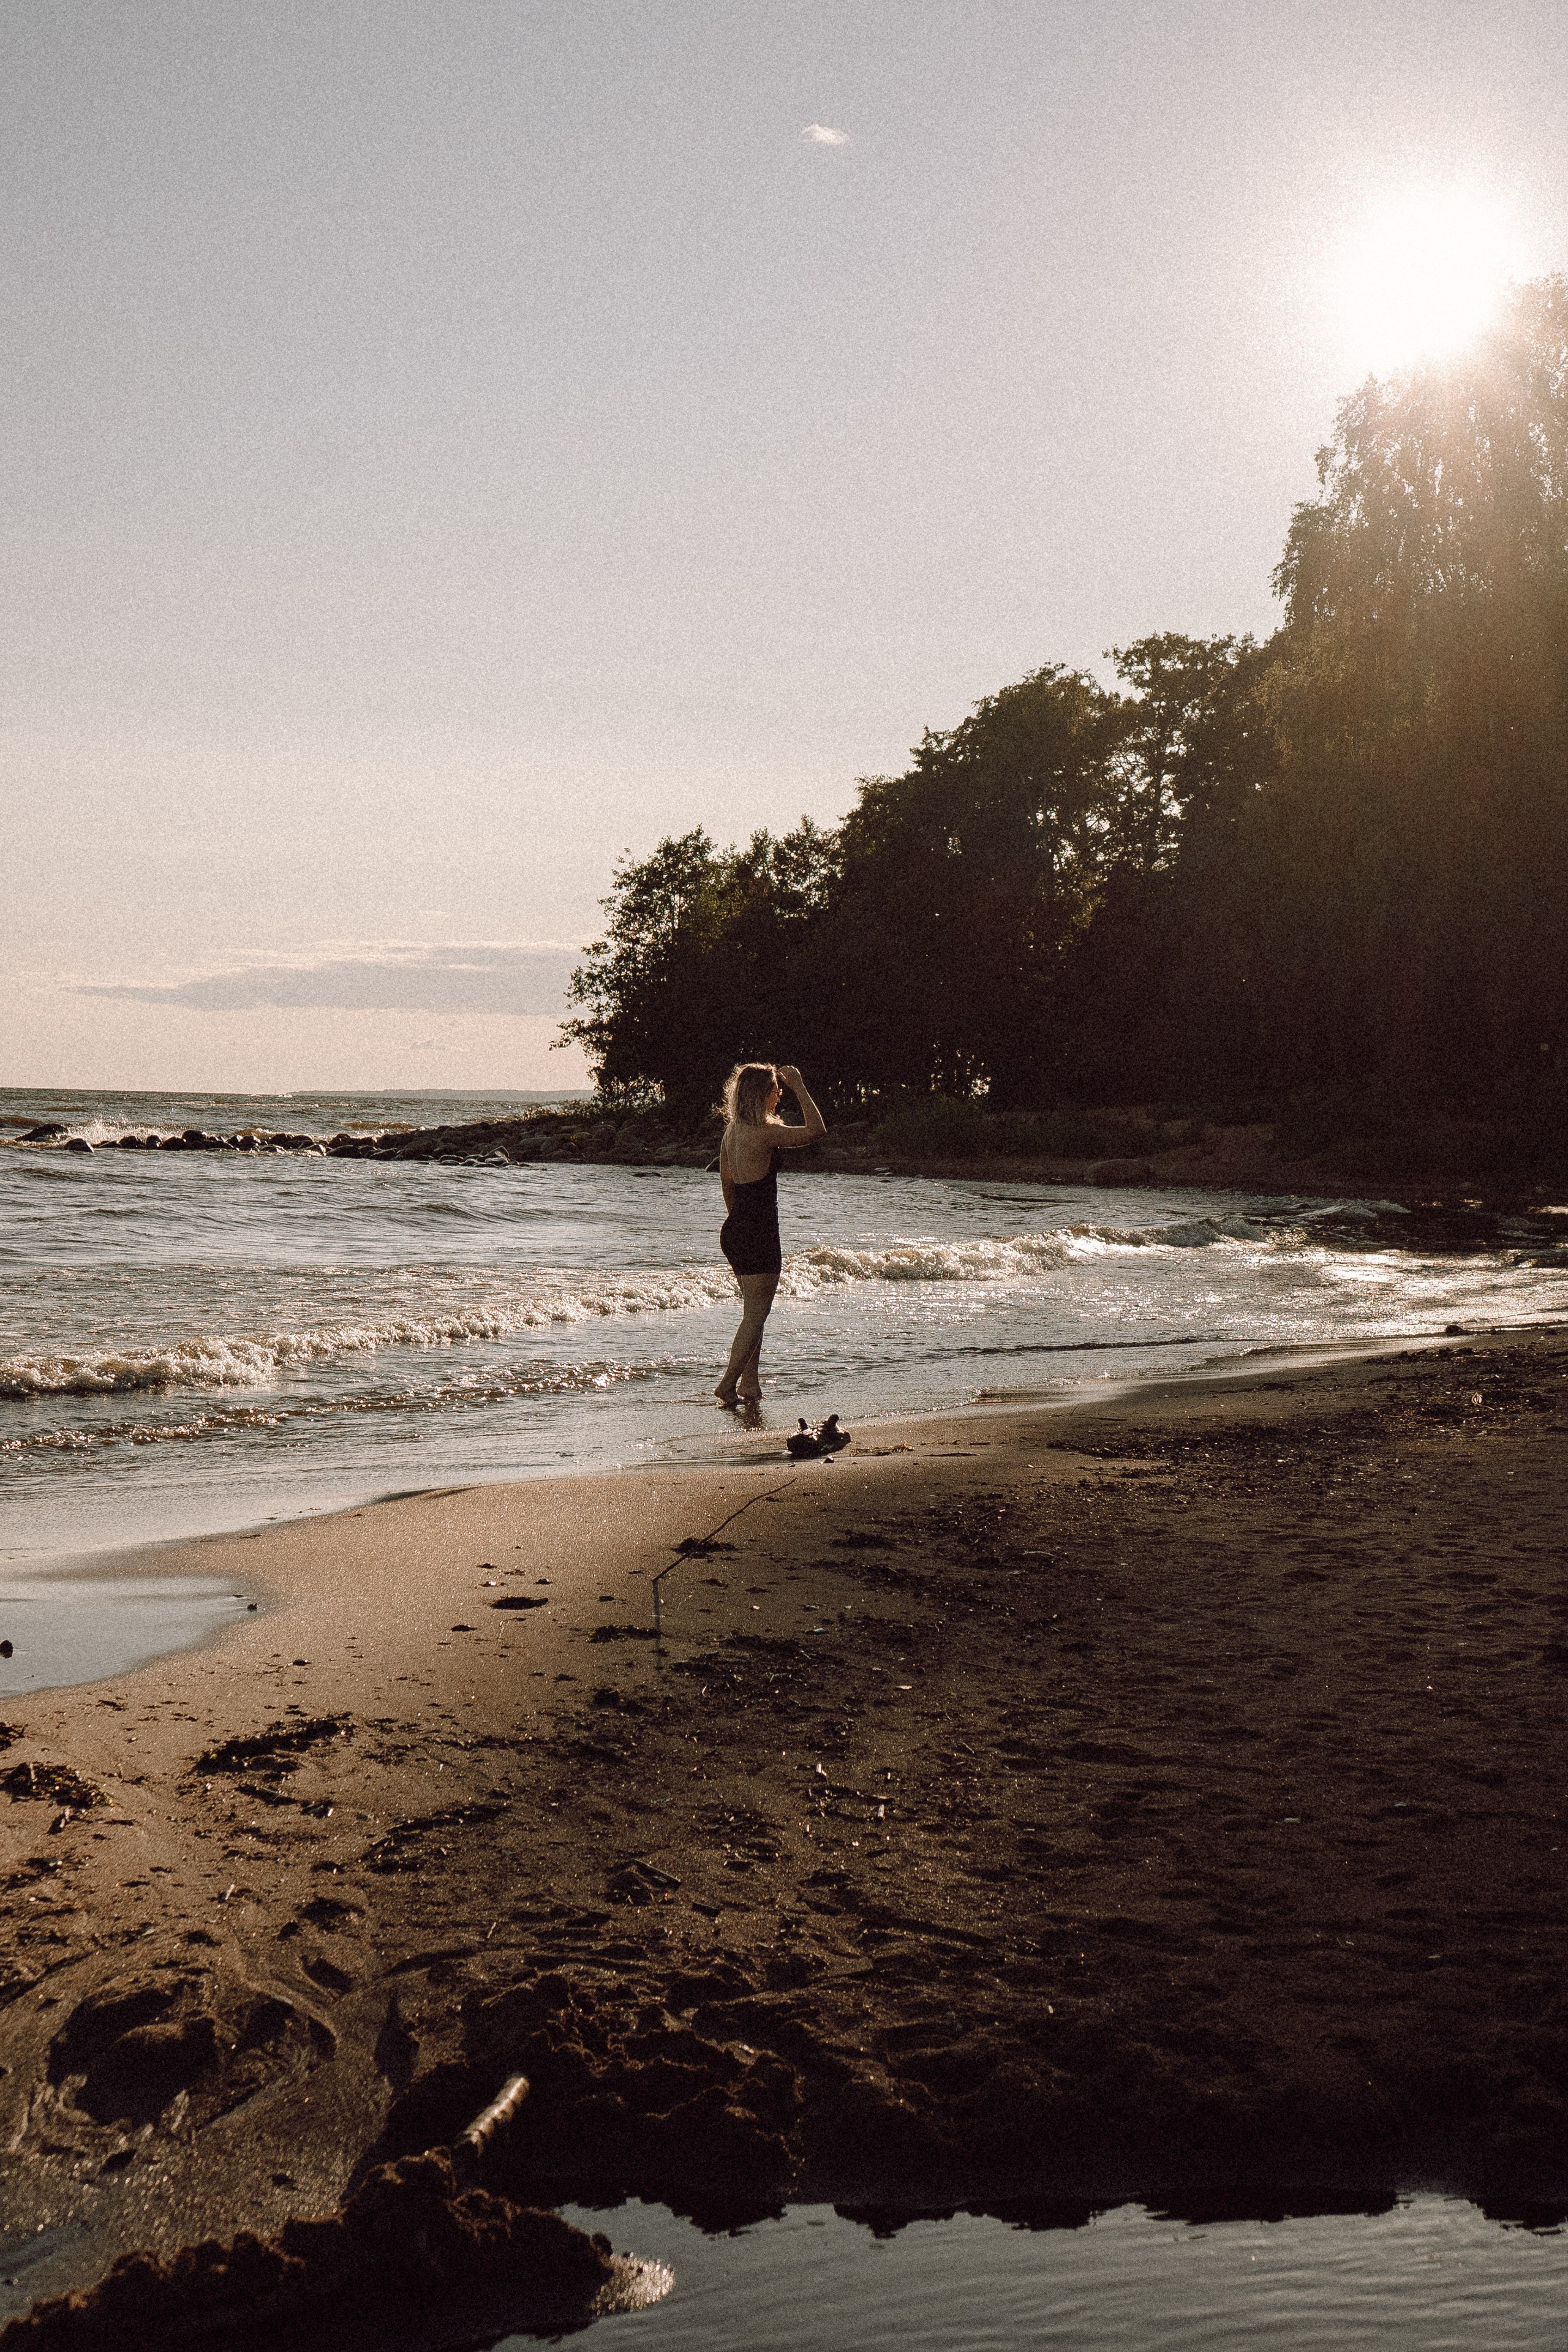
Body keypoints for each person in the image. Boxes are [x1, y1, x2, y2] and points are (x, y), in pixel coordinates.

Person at [714, 1061, 826, 1407]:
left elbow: (726, 1182)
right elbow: (816, 1130)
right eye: (777, 1088)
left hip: (735, 1229)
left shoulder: (733, 1131)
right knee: (756, 1314)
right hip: (758, 1231)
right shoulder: (763, 1133)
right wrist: (800, 1086)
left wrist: (739, 1221)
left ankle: (750, 1384)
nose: (780, 1093)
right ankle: (728, 1384)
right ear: (763, 1094)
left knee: (754, 1311)